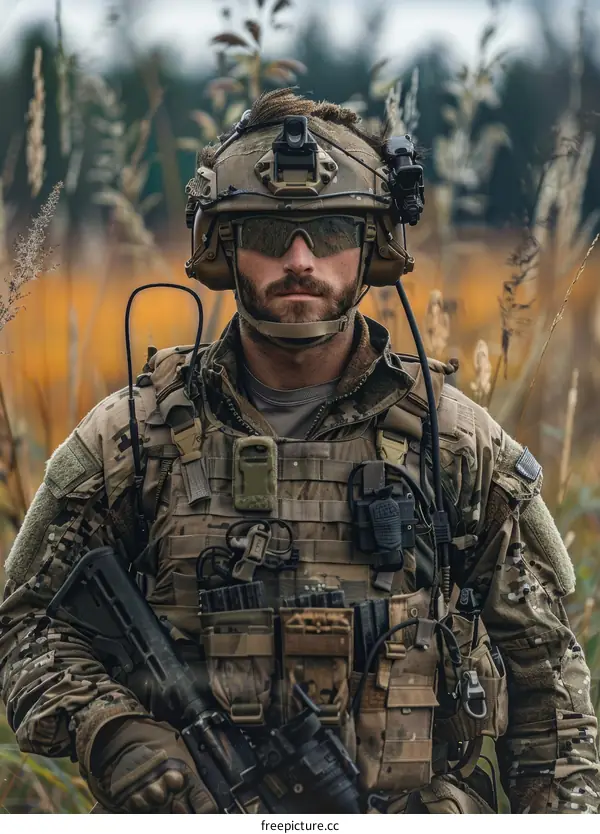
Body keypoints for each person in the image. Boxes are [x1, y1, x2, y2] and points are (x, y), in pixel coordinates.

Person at [1, 89, 598, 815]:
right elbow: (26, 623)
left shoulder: (454, 444)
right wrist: (113, 732)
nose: (299, 259)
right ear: (224, 245)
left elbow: (550, 686)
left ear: (374, 244)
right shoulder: (135, 436)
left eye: (331, 229)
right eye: (268, 232)